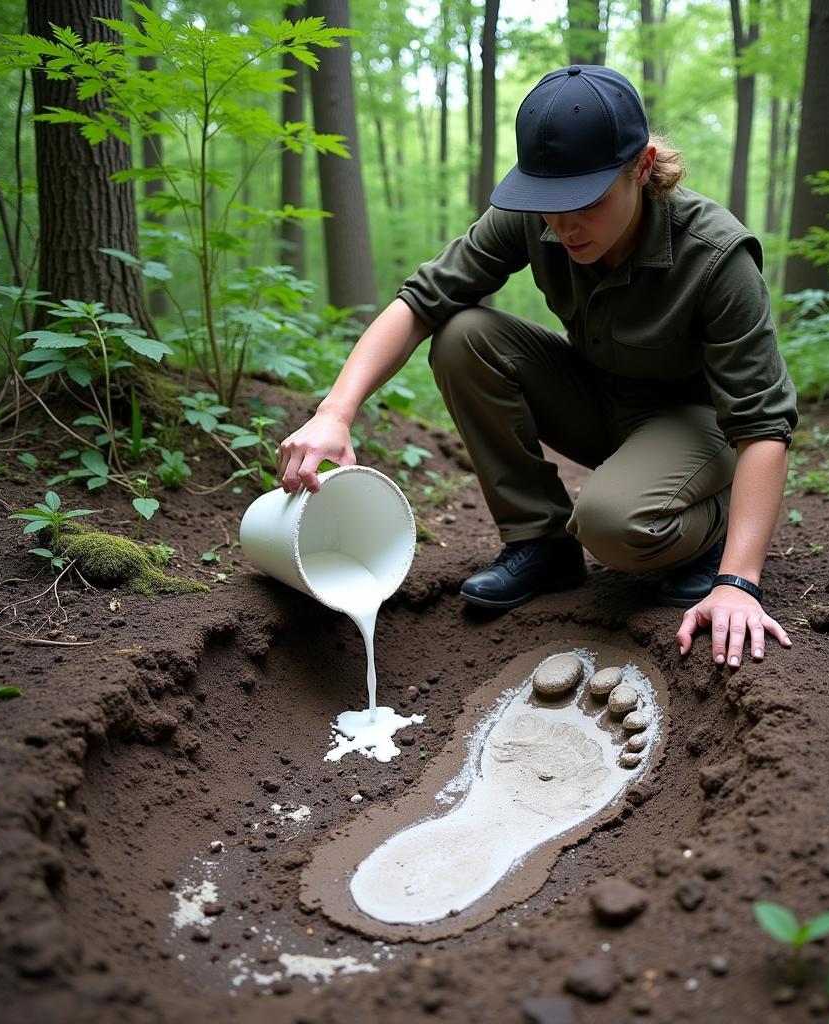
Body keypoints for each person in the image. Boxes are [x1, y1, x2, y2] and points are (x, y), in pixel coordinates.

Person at [277, 65, 797, 669]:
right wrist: (334, 412)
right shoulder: (538, 215)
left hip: (697, 428)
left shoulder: (715, 256)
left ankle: (710, 529)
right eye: (548, 204)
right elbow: (421, 302)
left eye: (586, 202)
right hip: (598, 400)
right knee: (462, 335)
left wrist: (739, 580)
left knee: (611, 524)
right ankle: (540, 543)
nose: (564, 225)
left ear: (644, 166)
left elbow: (762, 425)